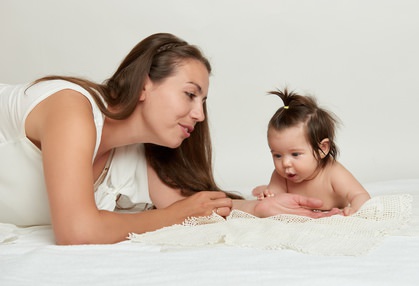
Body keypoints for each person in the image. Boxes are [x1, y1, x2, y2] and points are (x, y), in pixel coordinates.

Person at [0, 33, 339, 245]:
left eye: (203, 102)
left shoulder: (132, 157)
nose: (200, 115)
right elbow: (76, 230)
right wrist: (173, 216)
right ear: (145, 84)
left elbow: (193, 205)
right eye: (190, 95)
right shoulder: (72, 108)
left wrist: (260, 208)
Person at [252, 88, 371, 216]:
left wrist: (354, 209)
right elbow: (274, 203)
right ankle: (263, 188)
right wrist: (268, 195)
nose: (285, 163)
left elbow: (360, 195)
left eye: (295, 154)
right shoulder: (281, 176)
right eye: (277, 155)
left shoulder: (332, 172)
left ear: (323, 149)